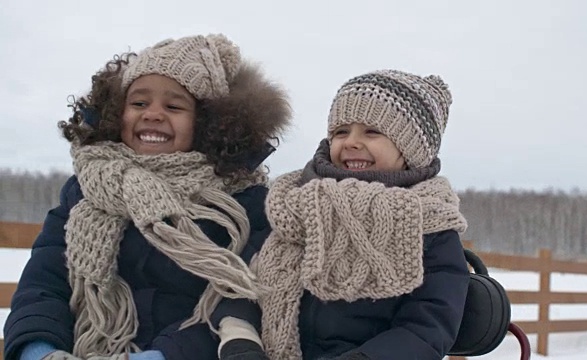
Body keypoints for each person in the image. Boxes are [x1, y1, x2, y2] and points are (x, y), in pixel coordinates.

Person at [3, 34, 290, 360]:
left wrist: (159, 356)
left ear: (207, 123)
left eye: (174, 106)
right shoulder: (84, 192)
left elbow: (241, 298)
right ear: (116, 112)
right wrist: (38, 350)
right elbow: (44, 282)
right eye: (139, 103)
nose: (153, 114)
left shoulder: (244, 203)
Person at [256, 70, 469, 359]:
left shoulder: (430, 225)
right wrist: (242, 343)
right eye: (340, 132)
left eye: (372, 132)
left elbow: (430, 323)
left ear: (411, 150)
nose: (352, 142)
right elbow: (244, 284)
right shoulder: (292, 204)